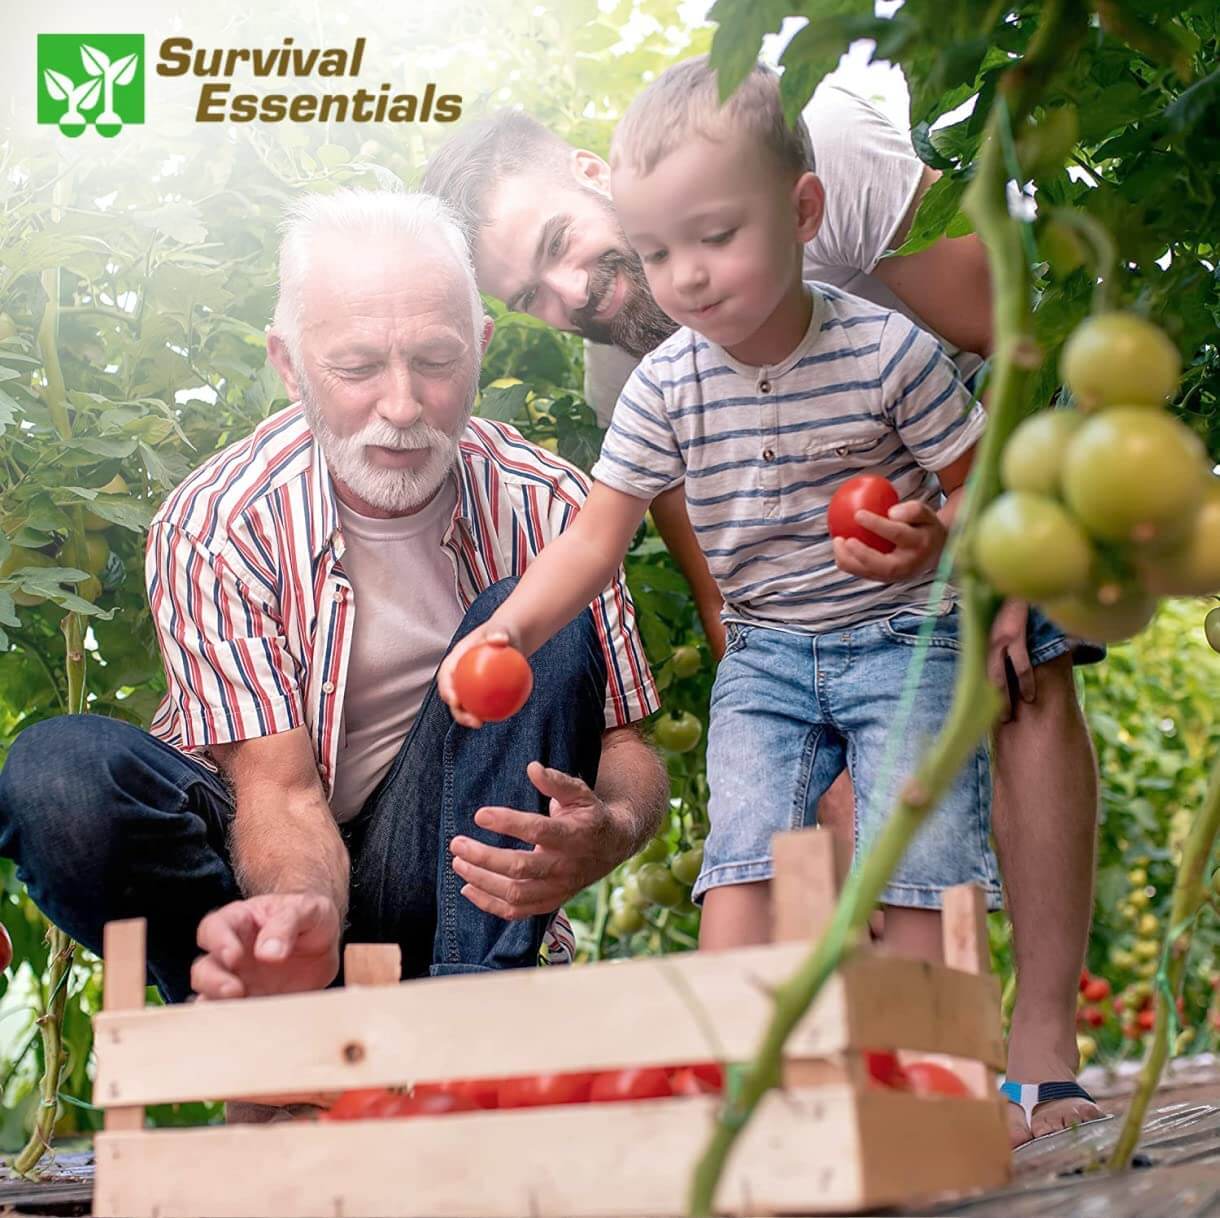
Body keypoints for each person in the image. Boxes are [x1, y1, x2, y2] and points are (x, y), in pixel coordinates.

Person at [423, 69, 1103, 1146]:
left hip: (980, 474)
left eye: (560, 244)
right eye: (530, 298)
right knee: (771, 835)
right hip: (803, 620)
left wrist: (980, 561)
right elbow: (706, 578)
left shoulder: (813, 156)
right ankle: (761, 1077)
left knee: (1019, 671)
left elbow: (1025, 345)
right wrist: (517, 629)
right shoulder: (634, 382)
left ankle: (1033, 1056)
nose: (571, 297)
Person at [0, 190, 667, 1023]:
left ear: (483, 348)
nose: (401, 405)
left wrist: (609, 825)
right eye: (356, 368)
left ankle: (468, 1040)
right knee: (61, 778)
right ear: (289, 364)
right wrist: (300, 914)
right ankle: (272, 1024)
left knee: (535, 618)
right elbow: (278, 793)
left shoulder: (555, 510)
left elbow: (626, 746)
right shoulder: (216, 524)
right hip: (266, 859)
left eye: (435, 360)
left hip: (443, 875)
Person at [440, 57, 1001, 981]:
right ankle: (743, 1095)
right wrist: (505, 631)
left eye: (715, 239)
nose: (686, 280)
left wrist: (941, 540)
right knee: (741, 878)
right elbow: (594, 538)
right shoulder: (655, 386)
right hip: (770, 664)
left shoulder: (888, 349)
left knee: (917, 878)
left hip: (904, 637)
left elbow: (975, 473)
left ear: (803, 214)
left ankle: (945, 1095)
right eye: (659, 254)